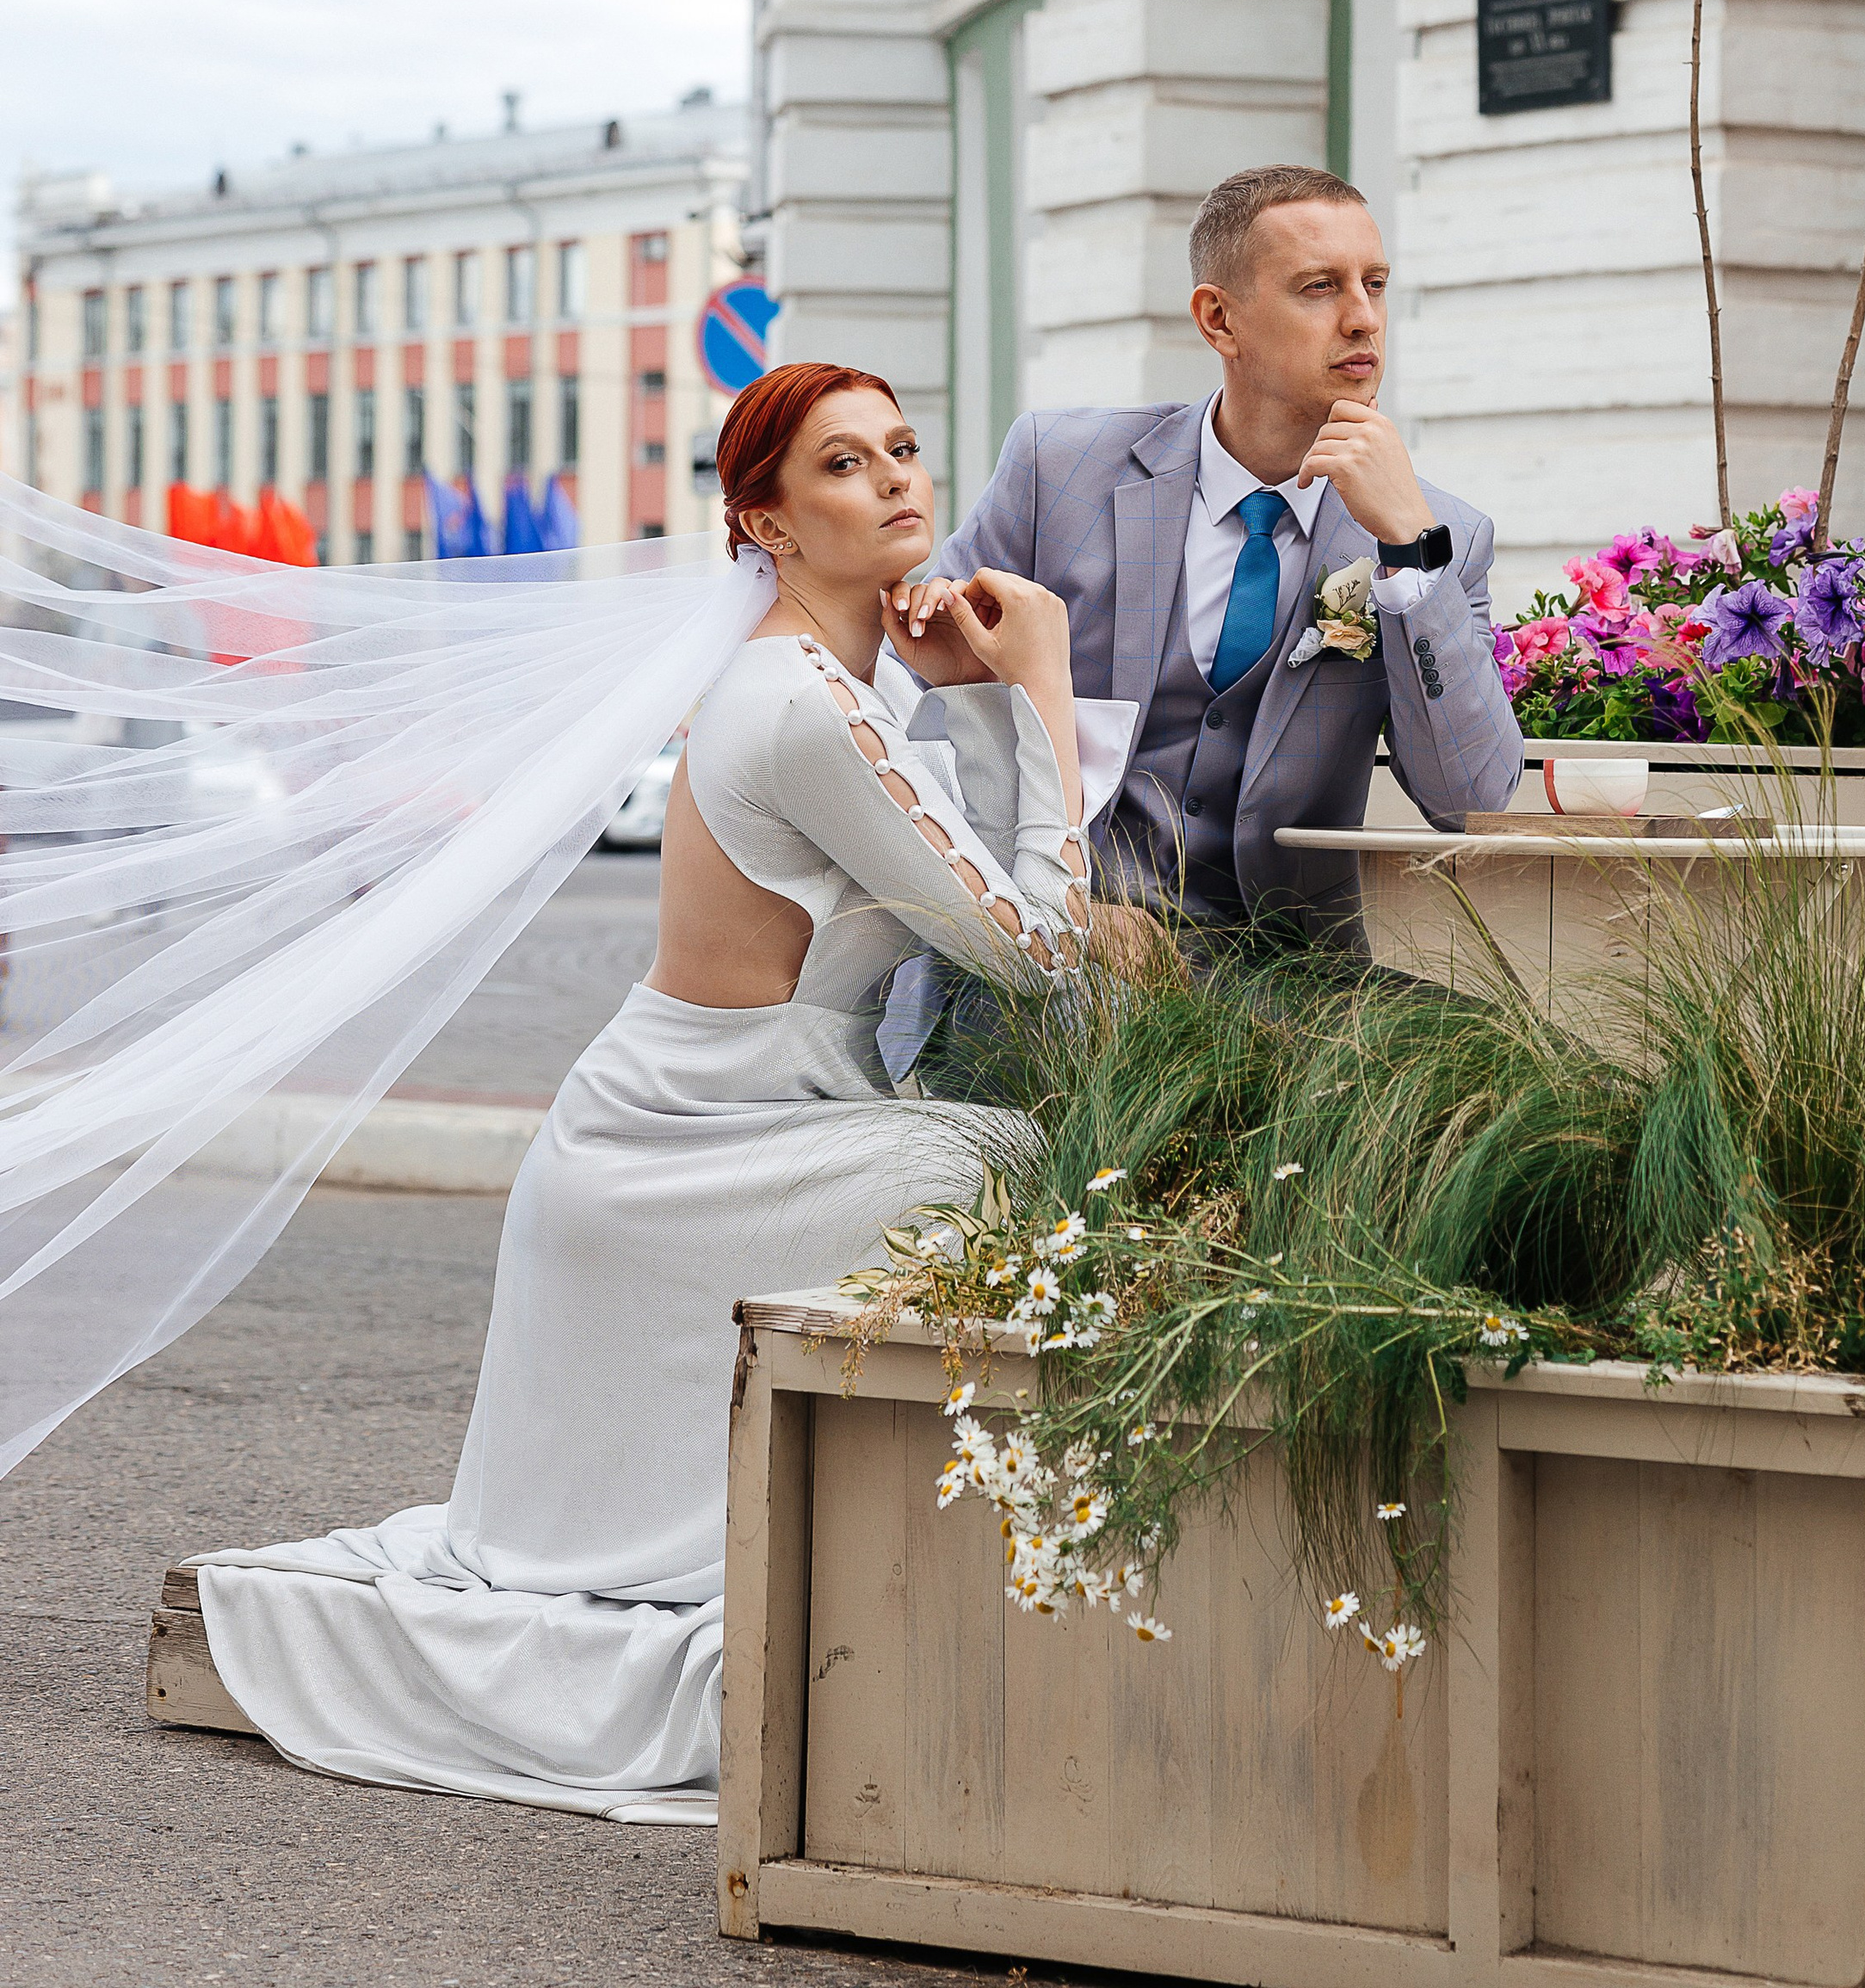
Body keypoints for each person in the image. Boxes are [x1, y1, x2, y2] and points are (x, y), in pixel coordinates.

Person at [188, 363, 1135, 1823]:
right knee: (1007, 1165)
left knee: (1007, 1170)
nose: (895, 479)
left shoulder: (829, 684)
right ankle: (972, 1583)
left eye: (900, 448)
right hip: (674, 1155)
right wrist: (1042, 687)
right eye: (841, 465)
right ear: (764, 520)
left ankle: (980, 1570)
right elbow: (1036, 956)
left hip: (730, 1127)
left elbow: (1005, 917)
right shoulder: (797, 704)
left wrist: (980, 708)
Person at [883, 164, 1521, 1068]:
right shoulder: (1057, 470)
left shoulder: (1438, 532)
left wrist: (1410, 556)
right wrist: (1055, 909)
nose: (1363, 318)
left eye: (1374, 285)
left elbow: (1472, 803)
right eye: (1318, 288)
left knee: (1501, 1066)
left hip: (1289, 983)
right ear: (1219, 319)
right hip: (1058, 952)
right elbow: (905, 704)